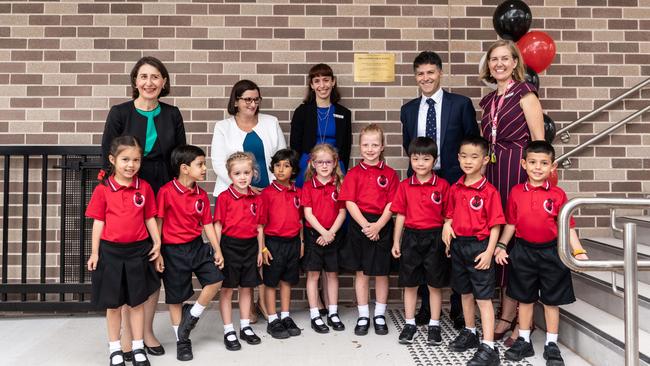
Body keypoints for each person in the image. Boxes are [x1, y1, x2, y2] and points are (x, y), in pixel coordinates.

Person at [101, 56, 186, 358]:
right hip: (129, 191)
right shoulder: (120, 113)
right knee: (128, 265)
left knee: (153, 260)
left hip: (161, 191)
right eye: (144, 76)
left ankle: (146, 331)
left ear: (164, 82)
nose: (149, 83)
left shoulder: (173, 114)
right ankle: (125, 336)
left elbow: (179, 159)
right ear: (135, 81)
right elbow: (107, 156)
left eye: (156, 77)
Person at [400, 50, 479, 328]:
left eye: (430, 72)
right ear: (415, 77)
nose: (426, 78)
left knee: (454, 245)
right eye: (420, 73)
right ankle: (424, 307)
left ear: (440, 73)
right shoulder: (408, 109)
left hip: (455, 182)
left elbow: (472, 142)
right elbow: (408, 146)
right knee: (421, 246)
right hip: (421, 185)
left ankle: (457, 306)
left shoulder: (460, 104)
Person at [496, 141, 588, 365]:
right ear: (524, 164)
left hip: (551, 253)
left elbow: (568, 226)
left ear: (552, 167)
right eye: (533, 162)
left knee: (550, 301)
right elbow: (510, 223)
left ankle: (551, 344)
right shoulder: (516, 192)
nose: (538, 167)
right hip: (523, 252)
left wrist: (578, 250)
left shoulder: (558, 195)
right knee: (525, 300)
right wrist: (500, 245)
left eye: (544, 163)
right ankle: (524, 341)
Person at [479, 40, 545, 345]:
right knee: (499, 235)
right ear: (489, 64)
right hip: (494, 171)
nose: (499, 64)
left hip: (517, 171)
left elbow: (539, 142)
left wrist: (535, 179)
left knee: (516, 240)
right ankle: (505, 314)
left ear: (515, 61)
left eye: (505, 58)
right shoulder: (490, 99)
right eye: (494, 59)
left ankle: (520, 317)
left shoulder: (525, 94)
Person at [211, 79, 287, 323]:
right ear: (236, 101)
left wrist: (268, 188)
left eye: (256, 99)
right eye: (247, 99)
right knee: (240, 255)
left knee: (265, 250)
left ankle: (264, 303)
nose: (252, 104)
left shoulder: (270, 123)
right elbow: (218, 162)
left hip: (268, 196)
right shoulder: (223, 127)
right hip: (237, 198)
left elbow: (280, 158)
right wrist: (243, 186)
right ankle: (248, 309)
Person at [86, 136, 163, 366]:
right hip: (110, 253)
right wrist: (95, 252)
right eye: (125, 159)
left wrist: (157, 243)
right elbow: (98, 223)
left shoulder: (145, 188)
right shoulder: (103, 190)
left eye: (136, 160)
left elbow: (150, 217)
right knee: (114, 305)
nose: (131, 165)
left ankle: (138, 347)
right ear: (113, 160)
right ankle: (115, 349)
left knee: (137, 303)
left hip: (138, 252)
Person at [155, 145, 225, 361]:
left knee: (215, 280)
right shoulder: (166, 192)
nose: (205, 168)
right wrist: (158, 251)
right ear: (184, 168)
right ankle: (182, 340)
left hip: (196, 246)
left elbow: (207, 224)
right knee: (175, 297)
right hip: (172, 250)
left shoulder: (201, 195)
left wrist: (217, 249)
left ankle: (192, 315)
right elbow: (158, 222)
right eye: (200, 165)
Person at [442, 136, 505, 366]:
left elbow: (496, 225)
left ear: (485, 160)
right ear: (458, 158)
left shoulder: (489, 191)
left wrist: (489, 252)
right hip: (459, 246)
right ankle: (470, 332)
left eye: (474, 157)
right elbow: (449, 215)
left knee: (483, 297)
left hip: (480, 247)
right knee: (464, 292)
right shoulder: (455, 187)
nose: (468, 161)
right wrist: (448, 229)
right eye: (464, 156)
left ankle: (489, 347)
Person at [339, 124, 399, 336]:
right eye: (366, 145)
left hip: (382, 224)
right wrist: (366, 225)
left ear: (382, 146)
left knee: (382, 273)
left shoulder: (391, 174)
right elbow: (349, 202)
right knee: (362, 273)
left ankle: (380, 314)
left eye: (375, 144)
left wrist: (379, 225)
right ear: (359, 147)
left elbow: (393, 203)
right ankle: (364, 314)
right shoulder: (353, 173)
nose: (370, 149)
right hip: (360, 225)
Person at [391, 137, 451, 345]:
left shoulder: (443, 186)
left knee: (435, 284)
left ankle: (434, 324)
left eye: (426, 159)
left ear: (434, 161)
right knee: (410, 284)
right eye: (415, 159)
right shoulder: (405, 186)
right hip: (411, 238)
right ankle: (410, 324)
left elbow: (448, 218)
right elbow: (400, 215)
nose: (420, 163)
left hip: (435, 238)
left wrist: (448, 241)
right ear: (410, 160)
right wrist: (396, 241)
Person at [213, 152, 264, 351]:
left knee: (247, 287)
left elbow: (259, 227)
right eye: (237, 173)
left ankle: (244, 326)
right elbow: (217, 226)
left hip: (250, 247)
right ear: (230, 175)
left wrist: (260, 251)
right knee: (227, 289)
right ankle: (228, 329)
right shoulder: (225, 198)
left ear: (253, 173)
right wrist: (217, 251)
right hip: (229, 247)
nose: (242, 177)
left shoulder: (256, 198)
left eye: (246, 173)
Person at [301, 144, 347, 334]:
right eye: (320, 162)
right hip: (314, 236)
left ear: (335, 162)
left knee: (332, 274)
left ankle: (333, 312)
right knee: (313, 275)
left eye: (328, 162)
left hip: (333, 236)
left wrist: (330, 234)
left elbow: (343, 212)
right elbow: (308, 214)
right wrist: (323, 233)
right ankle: (314, 314)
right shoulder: (308, 186)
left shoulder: (339, 184)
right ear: (313, 163)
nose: (324, 166)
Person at [259, 149, 303, 339]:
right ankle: (272, 318)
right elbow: (259, 225)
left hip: (292, 243)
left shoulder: (298, 193)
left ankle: (285, 315)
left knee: (287, 280)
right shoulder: (267, 194)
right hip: (273, 243)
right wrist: (262, 248)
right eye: (277, 165)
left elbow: (301, 221)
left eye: (286, 166)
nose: (281, 170)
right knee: (271, 282)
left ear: (293, 170)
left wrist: (301, 242)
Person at [290, 63, 352, 188]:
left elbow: (345, 147)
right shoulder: (302, 111)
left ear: (333, 82)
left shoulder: (343, 113)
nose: (322, 85)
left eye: (326, 80)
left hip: (335, 165)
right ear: (312, 85)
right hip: (307, 164)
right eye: (317, 81)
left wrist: (339, 165)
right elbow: (295, 145)